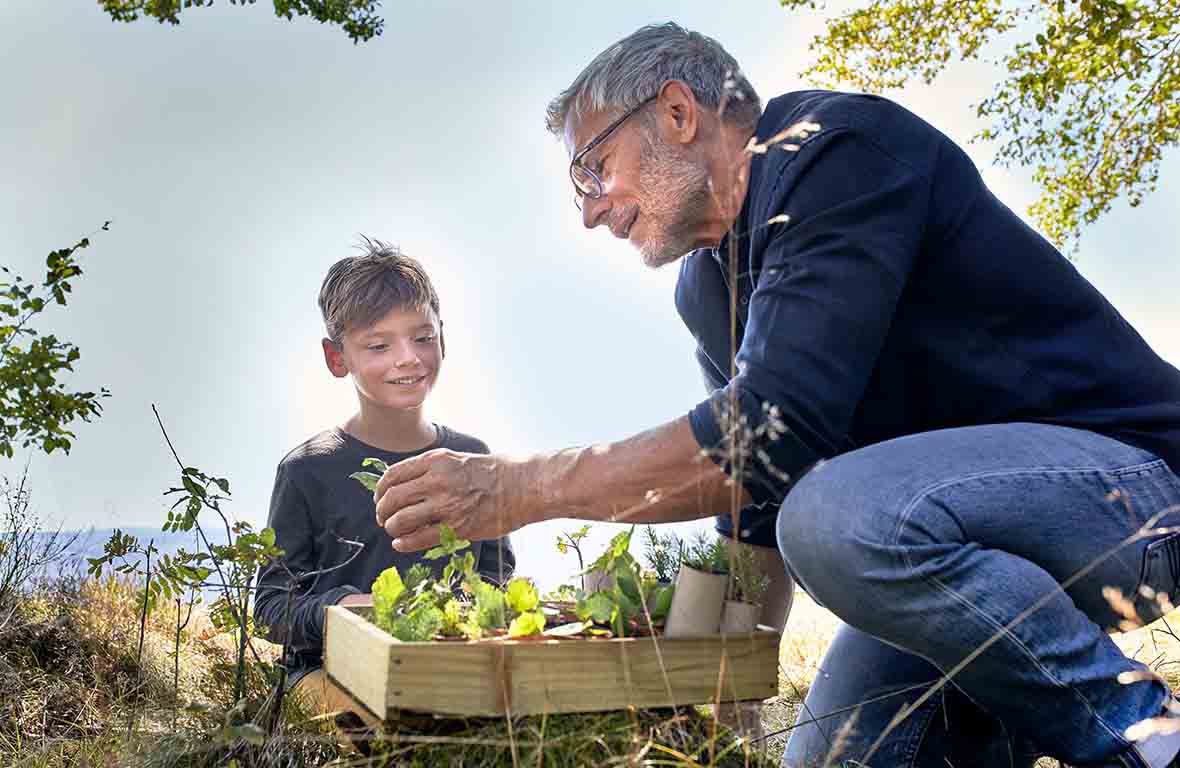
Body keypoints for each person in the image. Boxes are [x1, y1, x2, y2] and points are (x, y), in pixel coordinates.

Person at [368, 22, 1180, 768]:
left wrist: (520, 488)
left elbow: (766, 436)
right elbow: (752, 500)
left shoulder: (839, 152)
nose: (590, 213)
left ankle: (1145, 739)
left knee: (833, 516)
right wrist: (726, 687)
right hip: (962, 553)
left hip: (1136, 493)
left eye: (593, 169)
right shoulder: (707, 287)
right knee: (832, 756)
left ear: (678, 112)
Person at [253, 238, 515, 723]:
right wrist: (345, 608)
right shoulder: (306, 470)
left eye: (422, 337)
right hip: (327, 673)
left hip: (443, 666)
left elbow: (497, 576)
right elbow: (271, 606)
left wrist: (469, 611)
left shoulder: (474, 460)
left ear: (443, 339)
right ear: (337, 358)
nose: (408, 358)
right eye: (378, 345)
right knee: (371, 725)